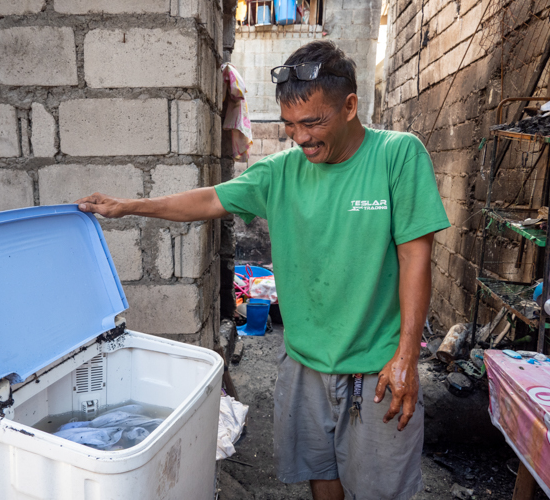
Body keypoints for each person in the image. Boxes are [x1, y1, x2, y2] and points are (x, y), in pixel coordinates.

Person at [76, 40, 450, 500]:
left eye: (313, 122)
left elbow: (416, 256)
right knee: (321, 472)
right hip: (304, 363)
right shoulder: (281, 171)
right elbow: (210, 199)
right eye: (290, 125)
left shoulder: (397, 156)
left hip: (377, 369)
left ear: (350, 106)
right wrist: (128, 206)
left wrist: (407, 356)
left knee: (382, 490)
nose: (302, 138)